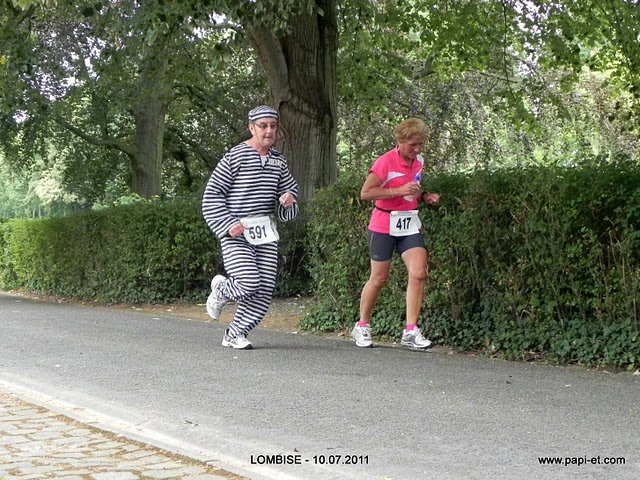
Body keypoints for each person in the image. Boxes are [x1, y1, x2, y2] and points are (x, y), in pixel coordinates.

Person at [202, 105, 299, 350]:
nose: (269, 131)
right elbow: (211, 195)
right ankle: (221, 289)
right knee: (248, 282)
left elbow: (290, 191)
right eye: (263, 126)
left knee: (264, 290)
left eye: (273, 126)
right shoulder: (235, 156)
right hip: (236, 233)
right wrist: (227, 223)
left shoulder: (278, 161)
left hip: (265, 234)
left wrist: (288, 199)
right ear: (251, 128)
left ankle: (234, 334)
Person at [352, 118, 440, 350]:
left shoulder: (419, 161)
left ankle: (411, 330)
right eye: (412, 145)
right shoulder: (385, 162)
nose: (417, 149)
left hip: (409, 224)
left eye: (420, 144)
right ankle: (362, 325)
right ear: (400, 141)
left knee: (418, 272)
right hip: (383, 224)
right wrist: (398, 191)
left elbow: (414, 188)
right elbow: (366, 193)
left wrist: (425, 196)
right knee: (379, 278)